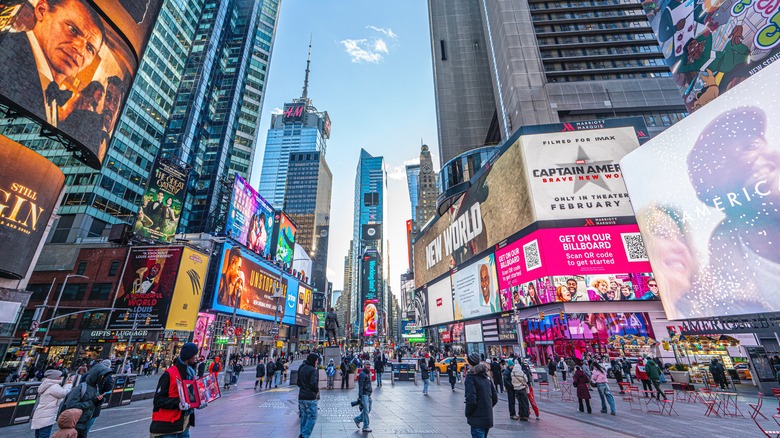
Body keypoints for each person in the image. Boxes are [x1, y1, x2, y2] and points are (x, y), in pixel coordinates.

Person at [150, 343, 206, 438]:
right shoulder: (169, 374)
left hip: (184, 426)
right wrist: (178, 403)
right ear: (189, 356)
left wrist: (198, 402)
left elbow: (190, 397)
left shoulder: (191, 374)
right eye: (194, 354)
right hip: (167, 427)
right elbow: (157, 400)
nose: (196, 357)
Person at [60, 361, 112, 438]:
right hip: (76, 421)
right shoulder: (81, 387)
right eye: (102, 377)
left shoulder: (96, 388)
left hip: (85, 420)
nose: (104, 379)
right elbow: (71, 404)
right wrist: (92, 402)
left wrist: (98, 401)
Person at [31, 369, 73, 438]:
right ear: (56, 377)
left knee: (39, 434)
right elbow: (64, 393)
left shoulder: (46, 384)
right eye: (59, 376)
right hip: (47, 415)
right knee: (44, 434)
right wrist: (68, 385)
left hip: (41, 412)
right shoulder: (54, 386)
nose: (61, 377)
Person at [464, 353, 498, 438]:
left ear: (470, 363)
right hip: (487, 417)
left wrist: (468, 413)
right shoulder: (486, 376)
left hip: (477, 418)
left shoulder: (471, 377)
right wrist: (486, 407)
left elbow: (471, 399)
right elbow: (495, 398)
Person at [297, 352, 320, 438]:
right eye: (317, 360)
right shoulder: (312, 370)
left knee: (304, 417)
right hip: (310, 397)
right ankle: (304, 435)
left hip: (301, 396)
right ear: (313, 360)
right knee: (312, 417)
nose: (317, 362)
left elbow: (298, 382)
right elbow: (313, 383)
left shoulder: (302, 368)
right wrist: (316, 391)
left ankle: (302, 434)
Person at [87, 360, 114, 431]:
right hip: (96, 397)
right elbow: (108, 386)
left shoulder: (91, 370)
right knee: (90, 420)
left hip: (85, 395)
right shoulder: (107, 374)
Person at [354, 361, 373, 433]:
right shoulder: (362, 374)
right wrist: (360, 396)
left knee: (368, 409)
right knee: (366, 411)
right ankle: (366, 426)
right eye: (367, 365)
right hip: (364, 394)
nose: (368, 366)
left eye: (369, 365)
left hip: (368, 394)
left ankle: (357, 419)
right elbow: (360, 386)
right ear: (364, 365)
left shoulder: (368, 373)